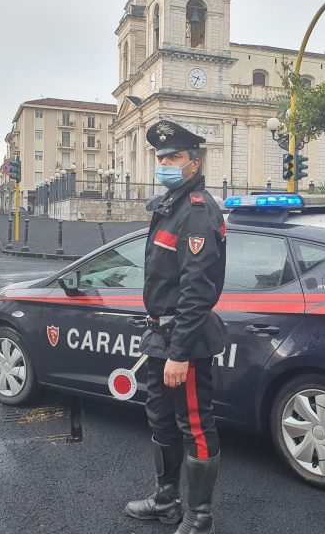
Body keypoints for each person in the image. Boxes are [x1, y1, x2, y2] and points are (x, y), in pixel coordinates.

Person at [125, 120, 227, 534]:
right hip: (160, 334)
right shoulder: (172, 206)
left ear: (194, 163)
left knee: (195, 426)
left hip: (185, 339)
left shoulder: (198, 212)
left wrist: (179, 353)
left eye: (174, 157)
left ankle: (199, 518)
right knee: (160, 419)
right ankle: (167, 502)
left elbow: (197, 292)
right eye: (160, 157)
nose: (164, 162)